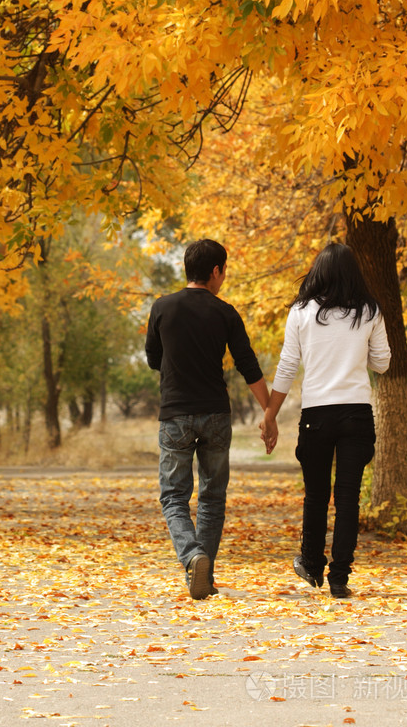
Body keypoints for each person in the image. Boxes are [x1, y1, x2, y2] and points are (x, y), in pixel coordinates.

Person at [260, 241, 391, 599]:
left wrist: (270, 412)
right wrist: (353, 353)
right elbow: (383, 363)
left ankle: (312, 566)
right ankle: (340, 578)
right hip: (356, 412)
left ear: (317, 272)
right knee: (348, 497)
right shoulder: (369, 311)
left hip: (316, 413)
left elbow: (287, 365)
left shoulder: (301, 311)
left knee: (316, 495)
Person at [145, 238, 271, 600]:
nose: (224, 278)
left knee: (173, 496)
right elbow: (248, 366)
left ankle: (192, 557)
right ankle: (204, 574)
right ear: (216, 271)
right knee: (212, 498)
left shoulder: (161, 308)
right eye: (224, 271)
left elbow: (154, 358)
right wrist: (268, 411)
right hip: (216, 413)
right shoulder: (226, 312)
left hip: (175, 415)